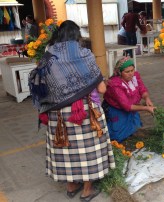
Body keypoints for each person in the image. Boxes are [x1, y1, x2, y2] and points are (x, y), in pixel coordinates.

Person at [29, 20, 115, 202]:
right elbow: (101, 89)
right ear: (77, 36)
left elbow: (43, 88)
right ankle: (87, 190)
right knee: (88, 151)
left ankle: (70, 186)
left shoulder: (47, 57)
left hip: (57, 115)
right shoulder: (85, 55)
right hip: (85, 112)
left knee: (65, 150)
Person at [103, 57, 156, 142]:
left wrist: (147, 98)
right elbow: (126, 105)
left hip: (132, 106)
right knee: (118, 136)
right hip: (116, 109)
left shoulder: (134, 76)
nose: (131, 74)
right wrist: (146, 108)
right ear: (120, 72)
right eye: (127, 72)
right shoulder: (115, 85)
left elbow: (142, 89)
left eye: (132, 70)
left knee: (134, 127)